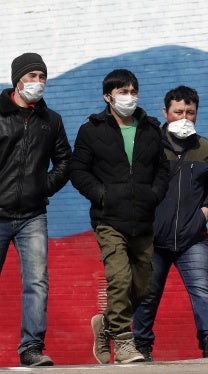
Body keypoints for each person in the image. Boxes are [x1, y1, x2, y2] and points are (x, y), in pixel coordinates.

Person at [70, 69, 169, 364]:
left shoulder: (151, 129)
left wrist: (154, 195)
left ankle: (105, 326)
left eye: (133, 91)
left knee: (141, 286)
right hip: (108, 219)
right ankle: (124, 342)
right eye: (123, 91)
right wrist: (102, 195)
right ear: (108, 97)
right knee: (120, 278)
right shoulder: (92, 130)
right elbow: (78, 170)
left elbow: (162, 169)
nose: (129, 96)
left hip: (143, 219)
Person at [133, 85, 208, 361]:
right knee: (148, 294)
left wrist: (207, 211)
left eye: (190, 112)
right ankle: (141, 346)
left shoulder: (205, 148)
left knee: (201, 288)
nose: (185, 117)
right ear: (165, 113)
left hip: (193, 237)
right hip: (154, 238)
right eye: (178, 112)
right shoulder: (150, 146)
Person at [0, 52, 72, 366]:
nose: (38, 83)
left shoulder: (51, 120)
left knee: (37, 282)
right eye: (32, 76)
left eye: (42, 77)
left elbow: (65, 161)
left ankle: (31, 349)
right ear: (18, 79)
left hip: (32, 215)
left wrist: (43, 187)